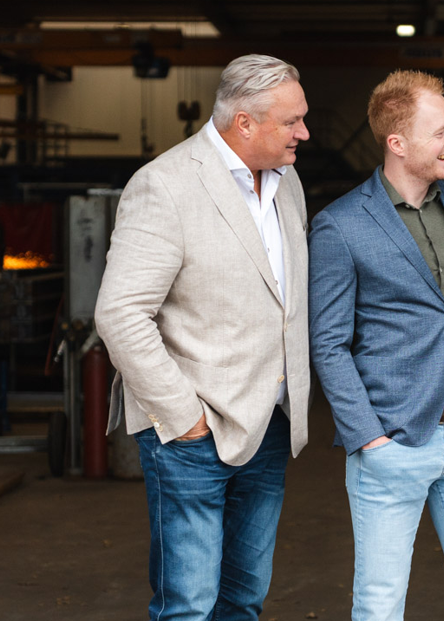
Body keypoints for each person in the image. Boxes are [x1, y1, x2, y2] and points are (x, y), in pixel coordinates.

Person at [94, 54, 311, 620]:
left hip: (270, 422)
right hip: (194, 432)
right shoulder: (164, 185)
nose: (304, 133)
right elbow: (120, 313)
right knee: (188, 605)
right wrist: (185, 417)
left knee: (244, 598)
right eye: (291, 121)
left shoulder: (287, 183)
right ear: (245, 123)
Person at [308, 70, 444, 621]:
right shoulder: (340, 225)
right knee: (380, 606)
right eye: (441, 131)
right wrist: (368, 438)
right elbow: (328, 344)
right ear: (397, 142)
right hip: (391, 441)